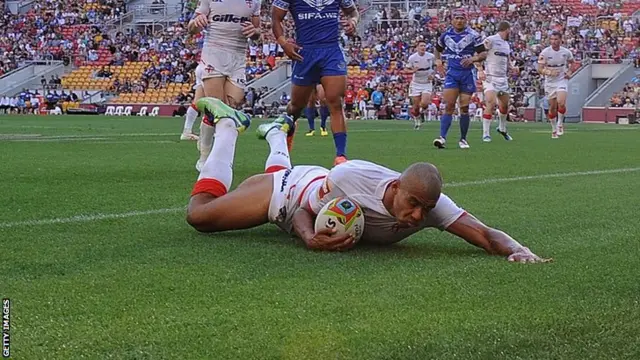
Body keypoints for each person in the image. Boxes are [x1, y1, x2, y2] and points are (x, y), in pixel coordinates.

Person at [186, 97, 552, 263]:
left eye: (425, 211)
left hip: (311, 183)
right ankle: (228, 126)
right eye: (413, 205)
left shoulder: (430, 204)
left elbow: (485, 233)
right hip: (288, 195)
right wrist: (311, 238)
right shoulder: (353, 177)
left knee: (275, 169)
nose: (417, 218)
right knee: (199, 216)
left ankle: (279, 134)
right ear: (395, 188)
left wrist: (520, 250)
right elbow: (300, 210)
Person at [271, 0, 359, 165]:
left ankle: (341, 155)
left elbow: (353, 12)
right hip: (305, 52)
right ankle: (287, 131)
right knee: (296, 106)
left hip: (331, 50)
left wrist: (353, 21)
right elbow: (276, 18)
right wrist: (283, 43)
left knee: (335, 102)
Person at [188, 0, 262, 169]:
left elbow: (258, 35)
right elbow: (191, 29)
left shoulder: (255, 1)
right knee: (217, 109)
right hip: (213, 54)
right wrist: (196, 24)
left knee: (232, 108)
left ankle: (208, 146)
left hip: (238, 58)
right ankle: (206, 158)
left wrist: (255, 33)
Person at [433, 8, 487, 149]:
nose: (459, 21)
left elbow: (483, 54)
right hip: (452, 73)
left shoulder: (473, 35)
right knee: (449, 105)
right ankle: (442, 137)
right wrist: (438, 61)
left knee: (464, 107)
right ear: (452, 20)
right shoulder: (445, 36)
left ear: (466, 20)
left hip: (467, 74)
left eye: (461, 18)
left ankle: (463, 139)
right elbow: (437, 50)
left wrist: (473, 58)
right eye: (456, 18)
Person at [478, 21, 516, 142]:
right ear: (507, 29)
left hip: (503, 79)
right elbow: (477, 53)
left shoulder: (506, 44)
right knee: (491, 102)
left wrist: (512, 67)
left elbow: (507, 60)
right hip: (490, 78)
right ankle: (486, 133)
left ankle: (502, 128)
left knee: (504, 106)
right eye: (510, 30)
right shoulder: (491, 40)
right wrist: (480, 70)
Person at [538, 31, 575, 139]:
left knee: (561, 102)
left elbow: (572, 63)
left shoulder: (566, 52)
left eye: (556, 39)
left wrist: (569, 72)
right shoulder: (545, 53)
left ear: (560, 40)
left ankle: (560, 123)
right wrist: (549, 72)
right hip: (550, 83)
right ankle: (553, 128)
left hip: (561, 80)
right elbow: (539, 69)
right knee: (552, 107)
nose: (554, 41)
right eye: (552, 39)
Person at [406, 40, 436, 130]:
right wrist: (412, 71)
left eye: (424, 46)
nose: (423, 47)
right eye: (421, 46)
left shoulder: (431, 56)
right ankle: (417, 119)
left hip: (426, 82)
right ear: (417, 48)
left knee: (425, 103)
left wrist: (433, 75)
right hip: (416, 83)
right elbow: (406, 69)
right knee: (415, 107)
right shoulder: (412, 58)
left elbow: (436, 66)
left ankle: (422, 111)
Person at [180, 63, 203, 144]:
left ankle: (187, 131)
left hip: (206, 66)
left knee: (198, 102)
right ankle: (207, 130)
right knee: (215, 100)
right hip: (214, 67)